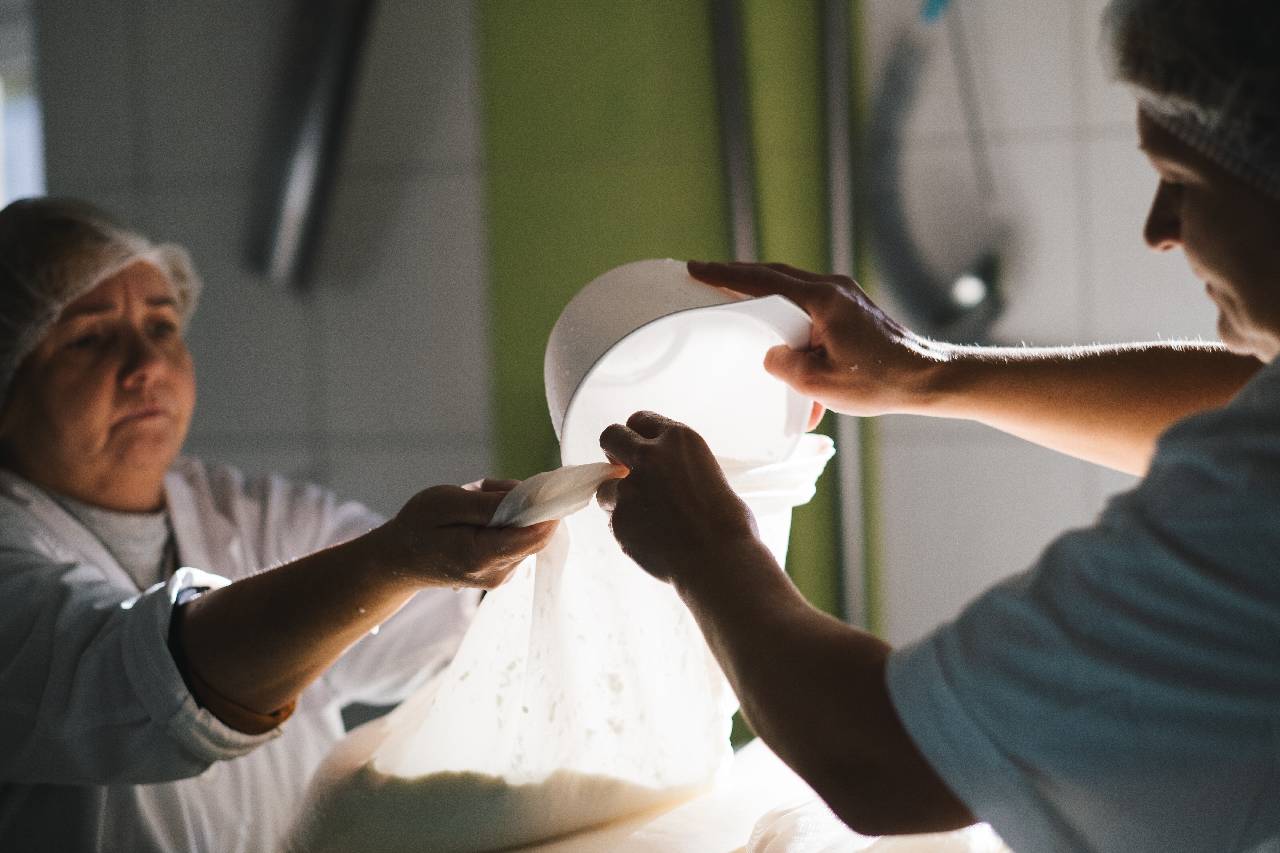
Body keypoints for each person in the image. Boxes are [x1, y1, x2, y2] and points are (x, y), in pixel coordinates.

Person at [597, 0, 1280, 850]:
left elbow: (879, 759)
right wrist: (928, 373)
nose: (1159, 230)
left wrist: (708, 548)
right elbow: (1245, 405)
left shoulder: (1251, 513)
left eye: (1182, 181)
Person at [0, 197, 558, 851]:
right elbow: (147, 686)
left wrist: (536, 543)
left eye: (161, 326)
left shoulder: (240, 510)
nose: (146, 364)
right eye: (89, 338)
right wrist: (393, 559)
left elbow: (436, 621)